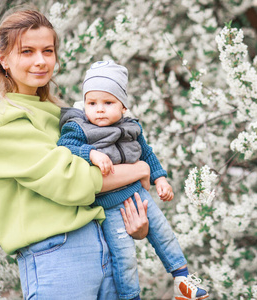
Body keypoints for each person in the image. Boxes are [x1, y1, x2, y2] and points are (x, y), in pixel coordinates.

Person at [0, 9, 151, 300]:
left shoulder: (60, 115)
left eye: (47, 51)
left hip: (102, 246)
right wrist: (141, 170)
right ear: (3, 59)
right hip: (57, 256)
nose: (40, 61)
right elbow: (74, 182)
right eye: (27, 51)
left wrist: (134, 226)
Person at [57, 60, 210, 300]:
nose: (99, 109)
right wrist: (92, 153)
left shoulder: (132, 127)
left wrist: (160, 179)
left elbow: (147, 153)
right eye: (92, 103)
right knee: (124, 257)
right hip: (110, 206)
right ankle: (130, 297)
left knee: (164, 234)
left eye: (108, 103)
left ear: (123, 106)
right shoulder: (80, 128)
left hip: (140, 195)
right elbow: (64, 148)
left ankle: (182, 280)